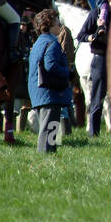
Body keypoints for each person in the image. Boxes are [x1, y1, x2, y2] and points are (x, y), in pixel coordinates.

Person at [77, 0, 111, 137]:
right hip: (101, 58)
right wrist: (93, 37)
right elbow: (81, 35)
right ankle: (94, 133)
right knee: (98, 97)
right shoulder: (97, 14)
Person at [28, 9, 72, 153]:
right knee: (48, 131)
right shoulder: (52, 43)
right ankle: (45, 157)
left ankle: (51, 156)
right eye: (57, 22)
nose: (60, 25)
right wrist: (68, 73)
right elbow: (50, 65)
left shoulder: (39, 42)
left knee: (51, 128)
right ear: (49, 24)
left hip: (40, 91)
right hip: (49, 92)